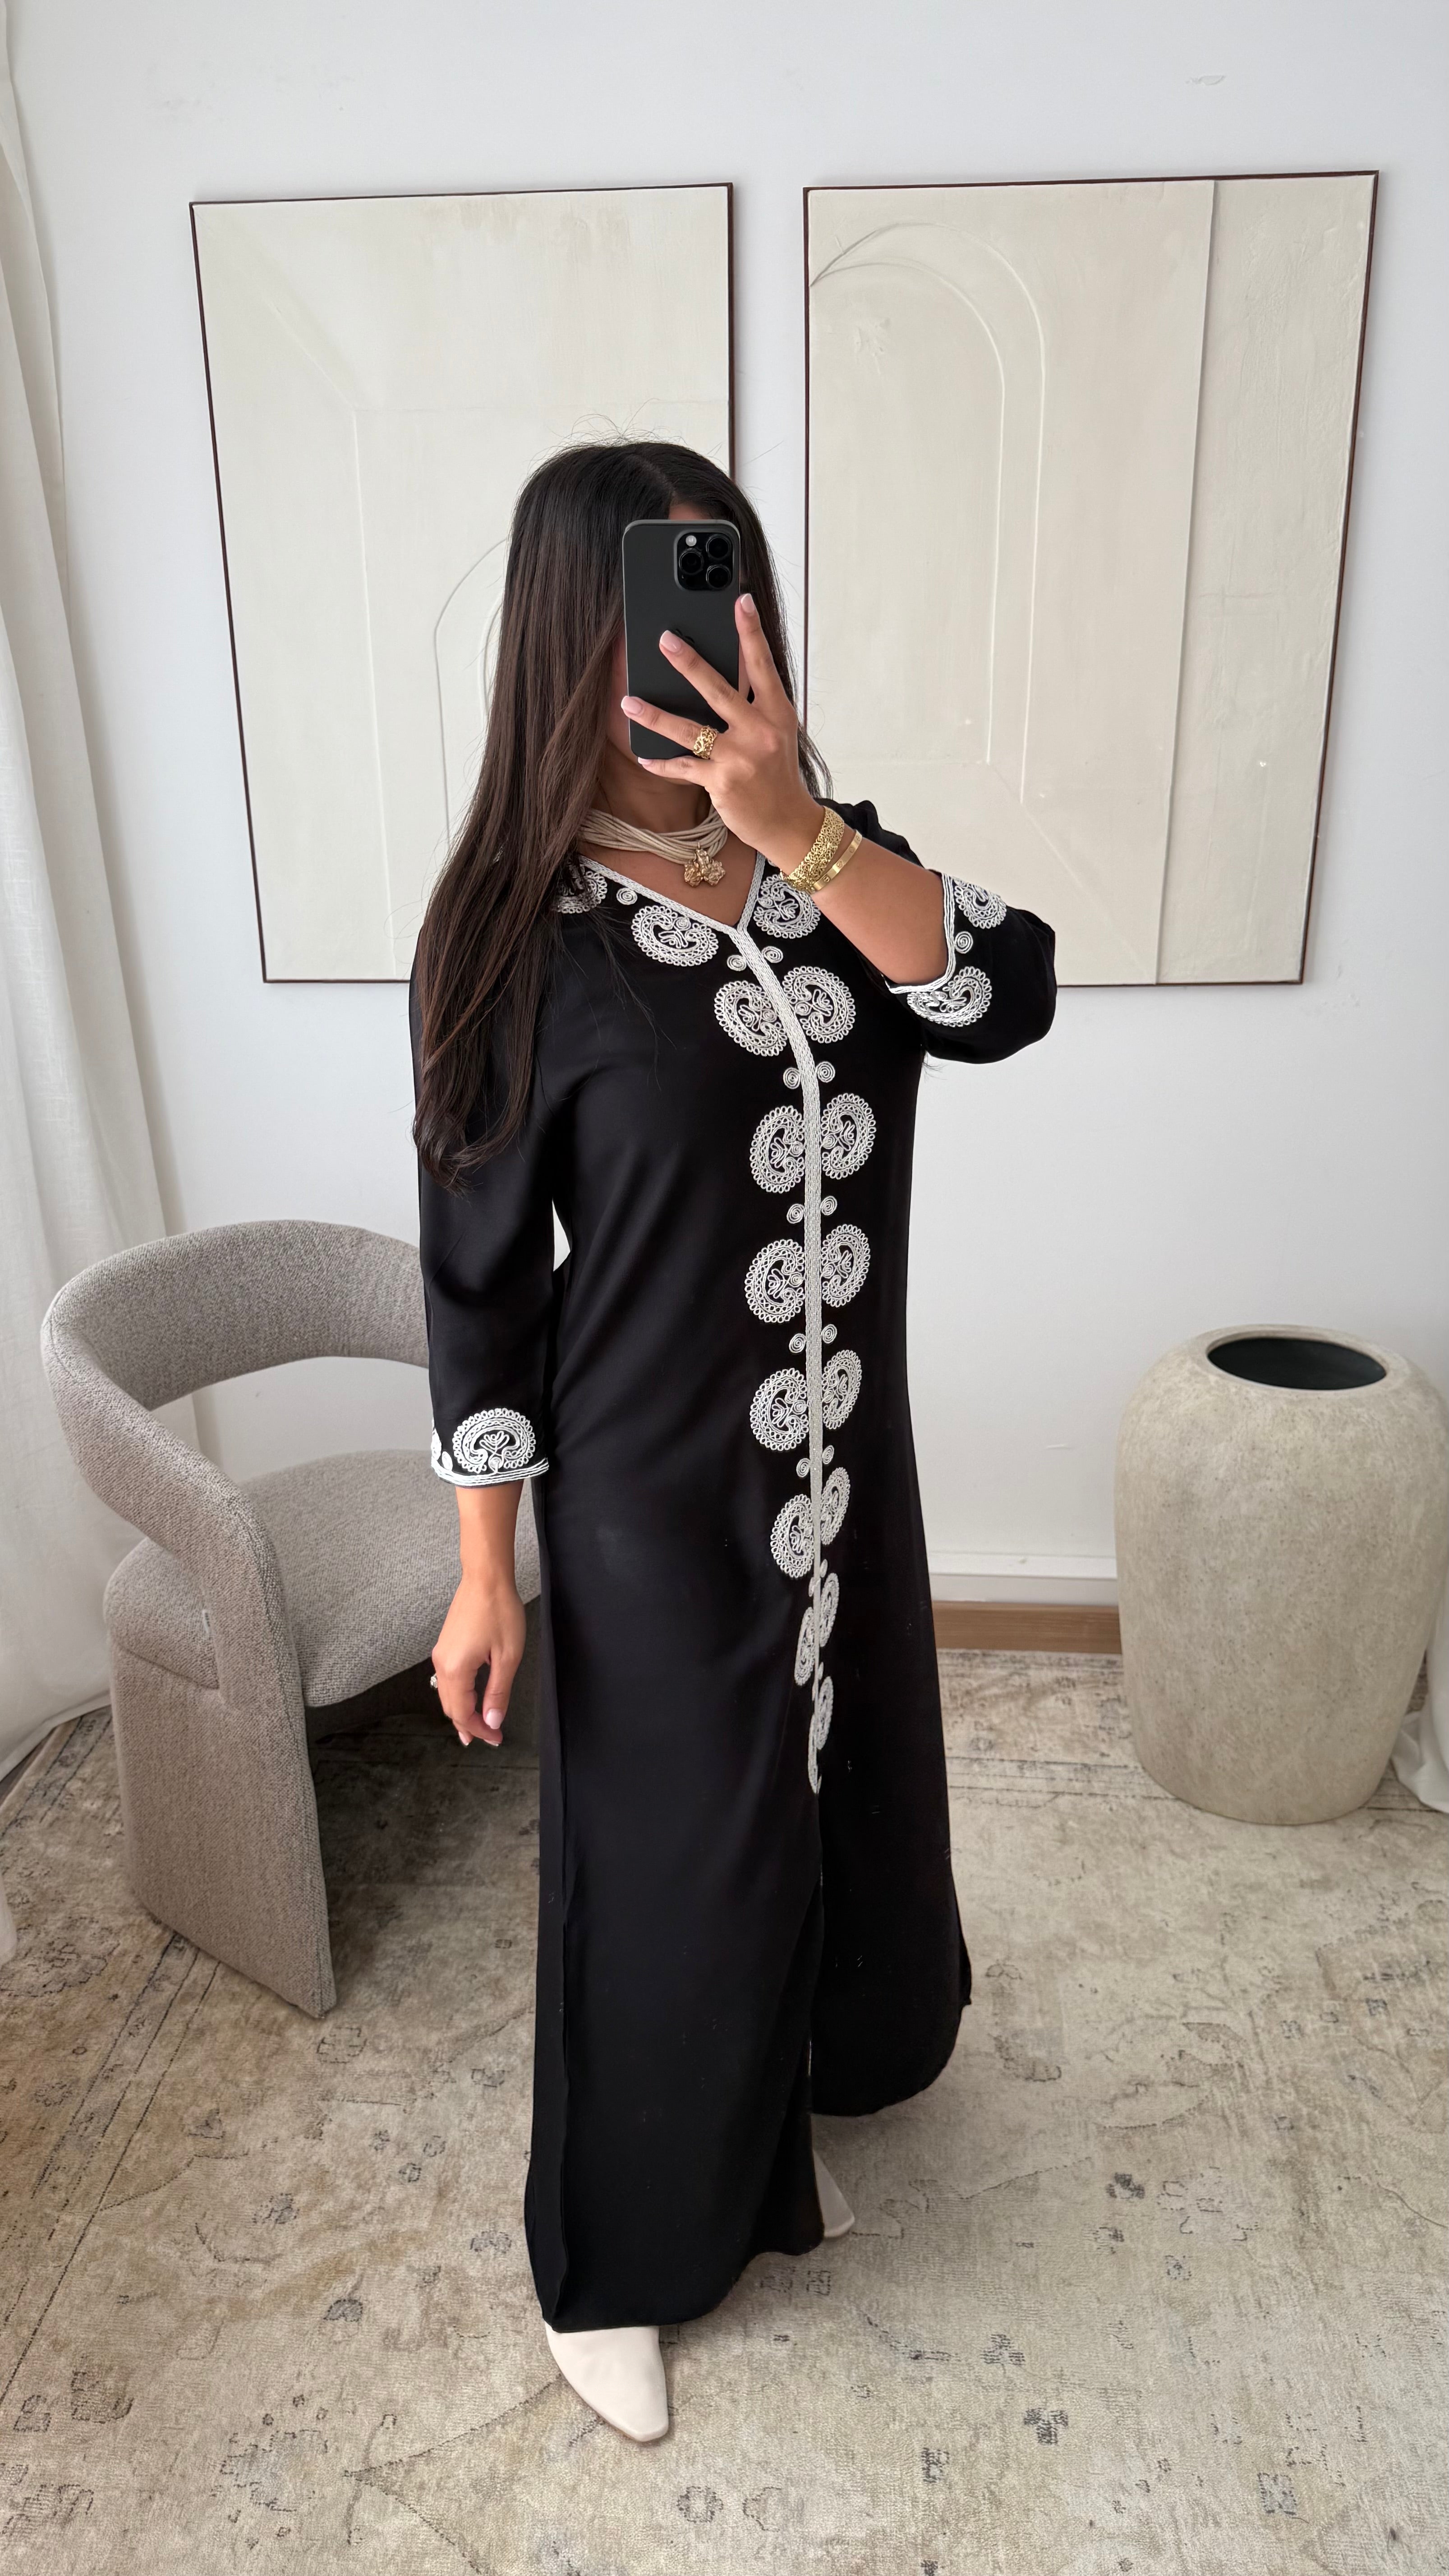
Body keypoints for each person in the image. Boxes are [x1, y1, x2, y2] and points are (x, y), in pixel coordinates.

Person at [409, 439, 1057, 2443]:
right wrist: (486, 1575)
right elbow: (479, 1285)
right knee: (665, 1873)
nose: (709, 640)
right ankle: (610, 2258)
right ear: (575, 637)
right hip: (654, 1499)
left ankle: (775, 2127)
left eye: (731, 591)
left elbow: (1005, 994)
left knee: (836, 1810)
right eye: (666, 602)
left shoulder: (830, 863)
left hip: (844, 1473)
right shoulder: (512, 937)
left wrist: (801, 831)